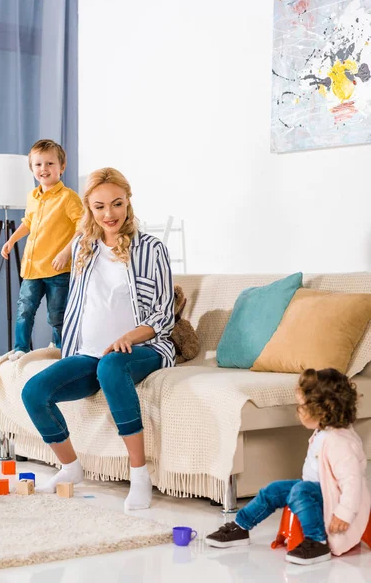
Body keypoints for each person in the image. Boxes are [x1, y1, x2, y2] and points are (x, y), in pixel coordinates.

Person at [21, 167, 175, 510]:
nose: (110, 214)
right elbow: (78, 304)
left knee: (111, 366)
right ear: (89, 208)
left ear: (128, 202)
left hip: (142, 349)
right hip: (88, 352)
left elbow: (164, 315)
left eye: (117, 204)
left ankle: (139, 475)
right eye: (100, 206)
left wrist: (128, 338)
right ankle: (70, 468)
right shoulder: (82, 247)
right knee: (33, 391)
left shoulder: (152, 249)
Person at [205, 368, 371, 565]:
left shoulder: (340, 442)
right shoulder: (324, 432)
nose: (297, 410)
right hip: (315, 489)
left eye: (301, 406)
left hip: (333, 497)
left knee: (300, 490)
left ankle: (317, 541)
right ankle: (240, 526)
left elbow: (352, 482)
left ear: (322, 409)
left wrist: (344, 512)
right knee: (273, 490)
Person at [1, 139, 83, 361]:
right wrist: (11, 240)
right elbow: (28, 222)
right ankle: (20, 349)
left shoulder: (68, 198)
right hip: (32, 267)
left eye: (49, 163)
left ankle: (59, 347)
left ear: (61, 167)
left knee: (57, 314)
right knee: (24, 310)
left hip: (58, 268)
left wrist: (66, 251)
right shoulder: (32, 197)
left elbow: (83, 225)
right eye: (38, 165)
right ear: (32, 169)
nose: (43, 169)